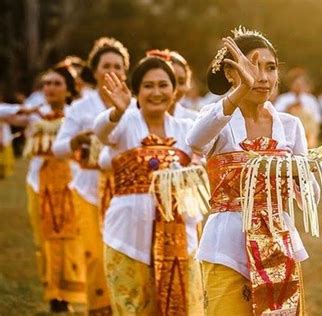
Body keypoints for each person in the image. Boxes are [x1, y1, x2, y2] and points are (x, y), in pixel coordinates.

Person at [187, 27, 322, 315]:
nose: (262, 77)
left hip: (278, 242)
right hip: (226, 244)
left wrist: (301, 172)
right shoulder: (218, 118)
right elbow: (196, 140)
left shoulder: (290, 125)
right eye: (252, 66)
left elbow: (309, 196)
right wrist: (239, 92)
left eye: (271, 68)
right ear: (231, 73)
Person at [93, 51, 205, 315]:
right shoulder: (125, 123)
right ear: (137, 92)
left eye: (163, 85)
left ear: (175, 90)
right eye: (148, 86)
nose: (156, 92)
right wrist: (116, 111)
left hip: (179, 240)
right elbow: (101, 132)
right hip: (127, 239)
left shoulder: (185, 128)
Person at [53, 37, 131, 315]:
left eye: (118, 66)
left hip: (125, 189)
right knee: (96, 256)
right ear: (94, 70)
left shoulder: (134, 106)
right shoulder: (80, 108)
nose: (112, 71)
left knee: (123, 252)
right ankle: (98, 308)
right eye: (106, 65)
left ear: (125, 71)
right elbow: (57, 148)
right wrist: (77, 141)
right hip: (88, 189)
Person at [23, 64, 86, 313]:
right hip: (38, 185)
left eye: (56, 83)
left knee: (71, 238)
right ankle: (52, 292)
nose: (49, 88)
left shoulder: (77, 115)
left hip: (71, 183)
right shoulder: (34, 114)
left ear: (68, 89)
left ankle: (68, 293)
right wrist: (20, 108)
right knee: (44, 238)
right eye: (46, 83)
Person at [274, 67, 322, 147]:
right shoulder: (283, 99)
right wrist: (288, 109)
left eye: (301, 83)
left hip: (308, 134)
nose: (299, 85)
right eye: (296, 83)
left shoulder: (311, 99)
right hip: (288, 134)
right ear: (291, 84)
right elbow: (276, 115)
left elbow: (318, 118)